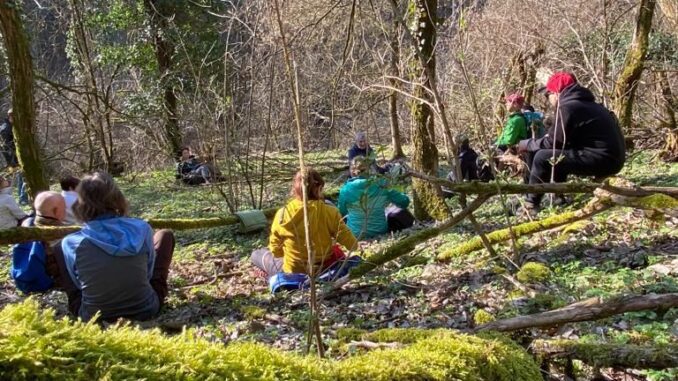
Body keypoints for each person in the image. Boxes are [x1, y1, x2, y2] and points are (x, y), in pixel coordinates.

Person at [55, 172, 175, 321]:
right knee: (165, 235)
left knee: (59, 248)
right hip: (145, 309)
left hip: (93, 317)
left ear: (80, 202)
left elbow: (77, 283)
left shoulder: (71, 242)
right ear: (118, 198)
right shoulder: (142, 228)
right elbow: (149, 274)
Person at [517, 72, 625, 214]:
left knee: (542, 156)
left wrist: (527, 144)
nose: (548, 99)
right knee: (555, 154)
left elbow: (554, 142)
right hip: (612, 159)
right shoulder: (588, 104)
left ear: (556, 93)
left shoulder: (567, 107)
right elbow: (563, 144)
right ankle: (557, 196)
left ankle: (531, 204)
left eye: (547, 95)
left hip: (603, 160)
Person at [250, 168, 359, 277]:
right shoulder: (330, 212)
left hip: (293, 271)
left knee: (256, 254)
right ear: (319, 188)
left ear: (295, 189)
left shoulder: (282, 213)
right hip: (324, 268)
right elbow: (352, 245)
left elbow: (275, 251)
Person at [338, 156, 412, 239]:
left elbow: (341, 213)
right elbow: (404, 202)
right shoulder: (382, 184)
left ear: (352, 172)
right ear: (370, 170)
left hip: (355, 234)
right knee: (393, 210)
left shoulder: (345, 189)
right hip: (380, 231)